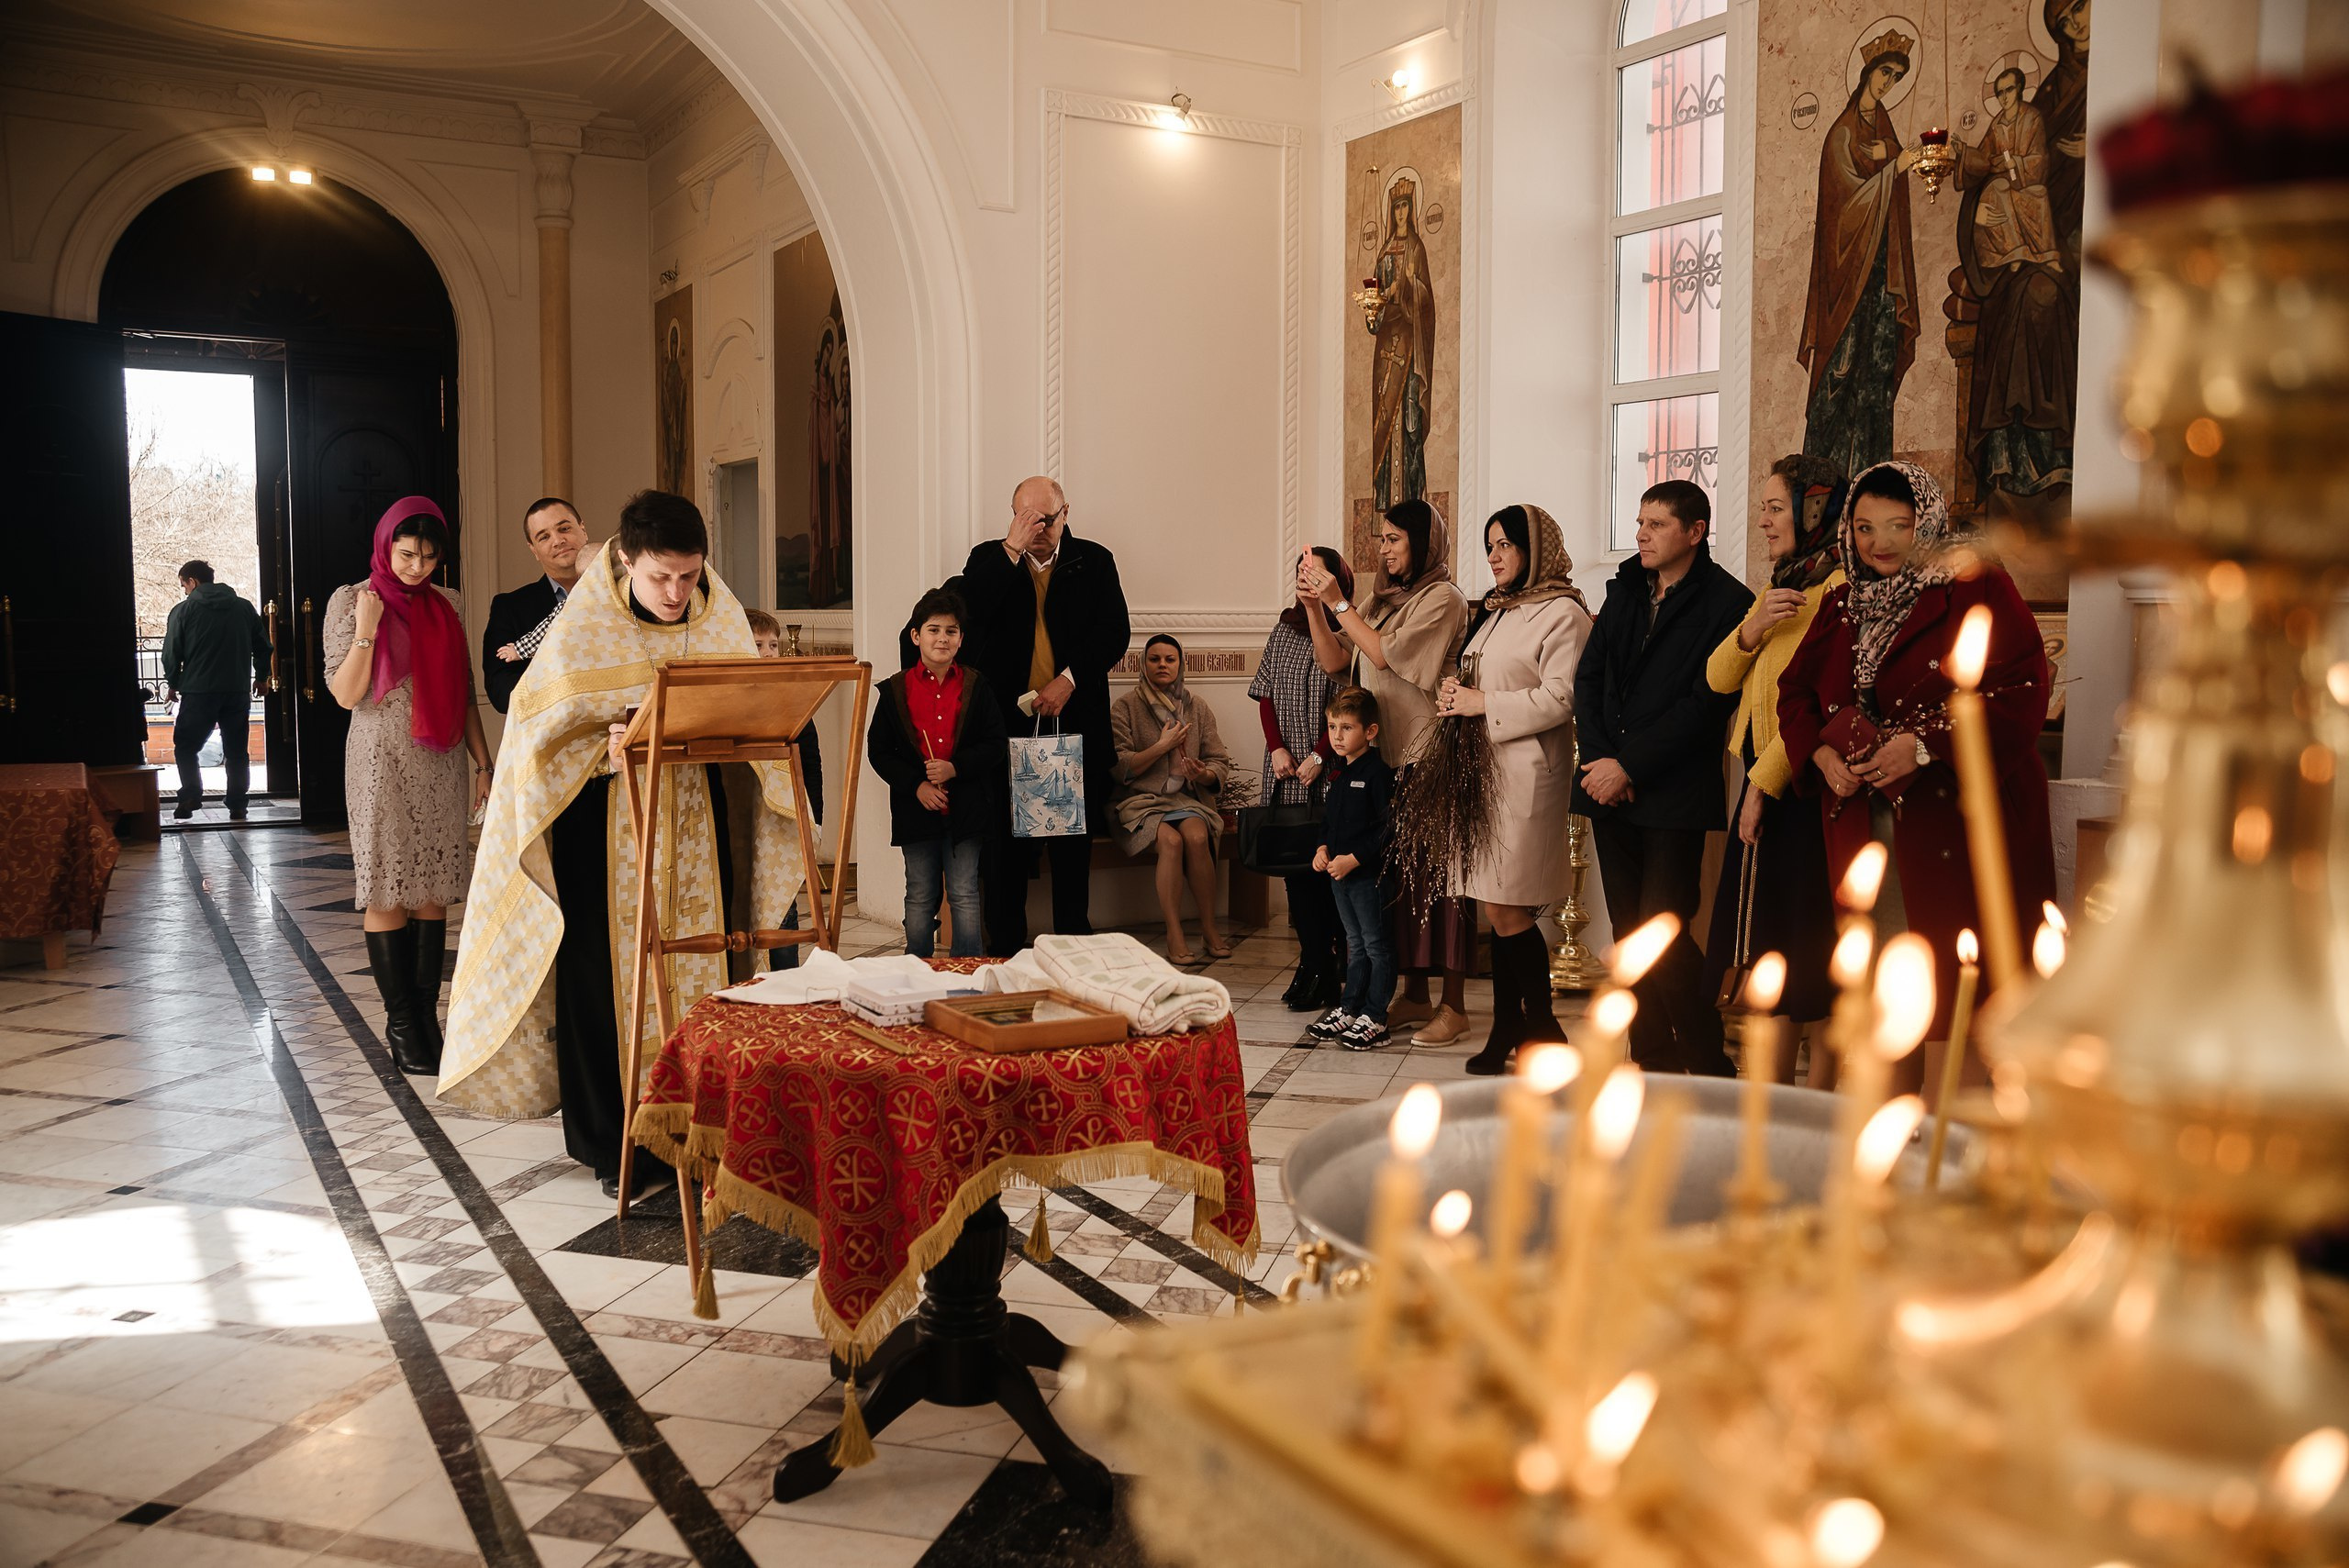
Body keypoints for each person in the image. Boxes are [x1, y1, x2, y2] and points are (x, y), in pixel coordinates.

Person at [440, 490, 806, 1199]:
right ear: (626, 559)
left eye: (689, 576)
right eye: (660, 576)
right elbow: (535, 741)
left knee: (706, 967)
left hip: (699, 824)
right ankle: (615, 1143)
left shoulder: (720, 615)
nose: (676, 593)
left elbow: (747, 713)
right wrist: (607, 748)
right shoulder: (584, 629)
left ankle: (706, 1127)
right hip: (603, 832)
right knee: (603, 982)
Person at [1776, 460, 2055, 1097]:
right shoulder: (1843, 601)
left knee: (1953, 974)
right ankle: (1893, 1131)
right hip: (1861, 821)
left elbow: (2023, 690)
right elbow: (1795, 694)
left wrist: (1924, 746)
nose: (1880, 542)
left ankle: (1949, 1140)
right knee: (1883, 979)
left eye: (1899, 526)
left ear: (1927, 522)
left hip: (1953, 820)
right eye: (1866, 526)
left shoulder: (1975, 586)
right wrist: (1819, 755)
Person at [1572, 480, 1753, 1076]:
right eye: (1640, 521)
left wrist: (1631, 765)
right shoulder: (1625, 587)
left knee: (1664, 932)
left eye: (1656, 524)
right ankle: (1649, 1054)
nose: (1641, 533)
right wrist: (1601, 761)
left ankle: (1707, 1062)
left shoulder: (1729, 601)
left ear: (1694, 532)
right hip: (1608, 784)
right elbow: (1591, 678)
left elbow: (1702, 704)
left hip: (1673, 790)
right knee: (1629, 931)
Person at [323, 500, 493, 1075]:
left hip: (442, 760)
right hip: (379, 761)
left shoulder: (449, 604)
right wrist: (367, 632)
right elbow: (346, 694)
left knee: (431, 891)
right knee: (387, 889)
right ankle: (400, 1026)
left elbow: (465, 690)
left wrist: (485, 763)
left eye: (427, 556)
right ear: (385, 547)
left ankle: (428, 1021)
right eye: (406, 554)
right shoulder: (351, 601)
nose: (416, 567)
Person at [1301, 500, 1475, 1044]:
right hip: (1386, 764)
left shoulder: (1441, 599)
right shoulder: (1382, 601)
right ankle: (1415, 995)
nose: (1384, 548)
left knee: (1443, 886)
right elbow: (1338, 664)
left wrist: (1338, 600)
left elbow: (1386, 658)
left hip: (1428, 760)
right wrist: (1315, 607)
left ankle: (1454, 1004)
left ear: (1423, 544)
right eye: (1380, 539)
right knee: (1400, 887)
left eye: (1395, 539)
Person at [1703, 456, 1849, 1084]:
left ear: (1814, 509)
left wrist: (1764, 784)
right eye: (1762, 506)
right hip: (1763, 777)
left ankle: (1814, 1095)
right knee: (1772, 946)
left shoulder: (1837, 587)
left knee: (1809, 947)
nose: (1763, 520)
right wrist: (1753, 628)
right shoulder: (1784, 583)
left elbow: (1811, 704)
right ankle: (1774, 1088)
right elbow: (1716, 678)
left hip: (1802, 786)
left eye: (1774, 507)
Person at [1437, 506, 1593, 1075]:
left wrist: (1483, 704)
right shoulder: (1499, 611)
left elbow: (1562, 698)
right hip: (1484, 771)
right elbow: (1489, 676)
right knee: (1494, 904)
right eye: (1490, 546)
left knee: (1510, 903)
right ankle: (1514, 1026)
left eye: (1506, 545)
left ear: (1535, 548)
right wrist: (1458, 692)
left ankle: (1542, 1027)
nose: (1495, 556)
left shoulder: (1562, 613)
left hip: (1528, 774)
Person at [957, 476, 1130, 953]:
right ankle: (1006, 949)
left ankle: (1073, 948)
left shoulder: (1094, 561)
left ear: (1066, 513)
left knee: (1070, 848)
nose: (1036, 527)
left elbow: (1114, 632)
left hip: (1072, 722)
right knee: (1005, 850)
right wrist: (1009, 553)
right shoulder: (987, 559)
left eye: (1045, 519)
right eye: (1025, 518)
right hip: (1004, 728)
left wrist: (1069, 680)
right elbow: (967, 618)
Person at [1798, 29, 1927, 480]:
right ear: (1867, 72)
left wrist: (1893, 158)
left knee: (1876, 374)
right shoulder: (1841, 133)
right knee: (1842, 368)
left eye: (1895, 77)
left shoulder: (1883, 130)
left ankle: (1869, 479)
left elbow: (1892, 199)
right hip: (1848, 276)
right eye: (1884, 73)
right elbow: (1844, 209)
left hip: (1881, 273)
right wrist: (1895, 167)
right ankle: (1822, 478)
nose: (1888, 83)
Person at [866, 587, 1005, 959]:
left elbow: (995, 743)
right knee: (921, 894)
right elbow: (879, 752)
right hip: (917, 811)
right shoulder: (894, 690)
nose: (942, 638)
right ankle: (916, 967)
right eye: (933, 630)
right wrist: (917, 785)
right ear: (916, 636)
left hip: (967, 810)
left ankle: (968, 969)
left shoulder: (977, 687)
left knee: (964, 893)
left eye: (951, 631)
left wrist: (954, 767)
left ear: (961, 639)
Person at [1250, 546, 1353, 1010]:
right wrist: (1276, 748)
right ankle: (1312, 961)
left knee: (1327, 872)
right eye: (1300, 573)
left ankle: (1331, 966)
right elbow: (1266, 694)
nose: (1305, 580)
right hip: (1287, 772)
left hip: (1330, 769)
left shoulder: (1350, 630)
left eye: (1315, 573)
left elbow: (1351, 705)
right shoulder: (1283, 629)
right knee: (1297, 874)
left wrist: (1319, 753)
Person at [1112, 634, 1239, 966]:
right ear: (1144, 664)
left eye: (1170, 659)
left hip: (1187, 800)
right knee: (1171, 842)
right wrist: (1161, 747)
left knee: (1197, 836)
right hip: (1139, 802)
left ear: (1180, 664)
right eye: (1155, 659)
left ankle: (1210, 928)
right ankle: (1174, 932)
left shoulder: (1197, 707)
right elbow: (1119, 767)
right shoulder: (1125, 706)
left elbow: (1218, 761)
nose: (1163, 665)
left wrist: (1203, 775)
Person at [1309, 686, 1396, 1051]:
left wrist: (1355, 858)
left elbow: (1388, 828)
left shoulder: (1378, 774)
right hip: (1338, 877)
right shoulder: (1338, 774)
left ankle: (1376, 1016)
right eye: (1332, 727)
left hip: (1366, 877)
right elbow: (1330, 823)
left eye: (1346, 728)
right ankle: (1350, 1008)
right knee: (1353, 944)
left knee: (1376, 946)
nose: (1337, 736)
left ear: (1370, 732)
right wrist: (1323, 847)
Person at [745, 608, 826, 967]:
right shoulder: (726, 698)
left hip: (786, 820)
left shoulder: (794, 702)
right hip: (745, 820)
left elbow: (811, 762)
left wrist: (815, 816)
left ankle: (786, 975)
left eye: (773, 645)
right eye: (757, 644)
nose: (767, 653)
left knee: (785, 906)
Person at [161, 559, 270, 821]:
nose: (184, 591)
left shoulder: (183, 611)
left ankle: (190, 796)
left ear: (193, 581)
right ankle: (237, 805)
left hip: (198, 692)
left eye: (183, 585)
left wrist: (173, 683)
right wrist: (262, 677)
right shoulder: (243, 608)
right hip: (236, 690)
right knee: (236, 750)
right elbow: (263, 646)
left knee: (185, 746)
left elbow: (172, 653)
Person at [482, 496, 589, 714]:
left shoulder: (627, 590)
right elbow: (501, 691)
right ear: (533, 550)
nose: (558, 540)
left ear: (583, 530)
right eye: (544, 537)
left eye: (565, 528)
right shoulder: (510, 607)